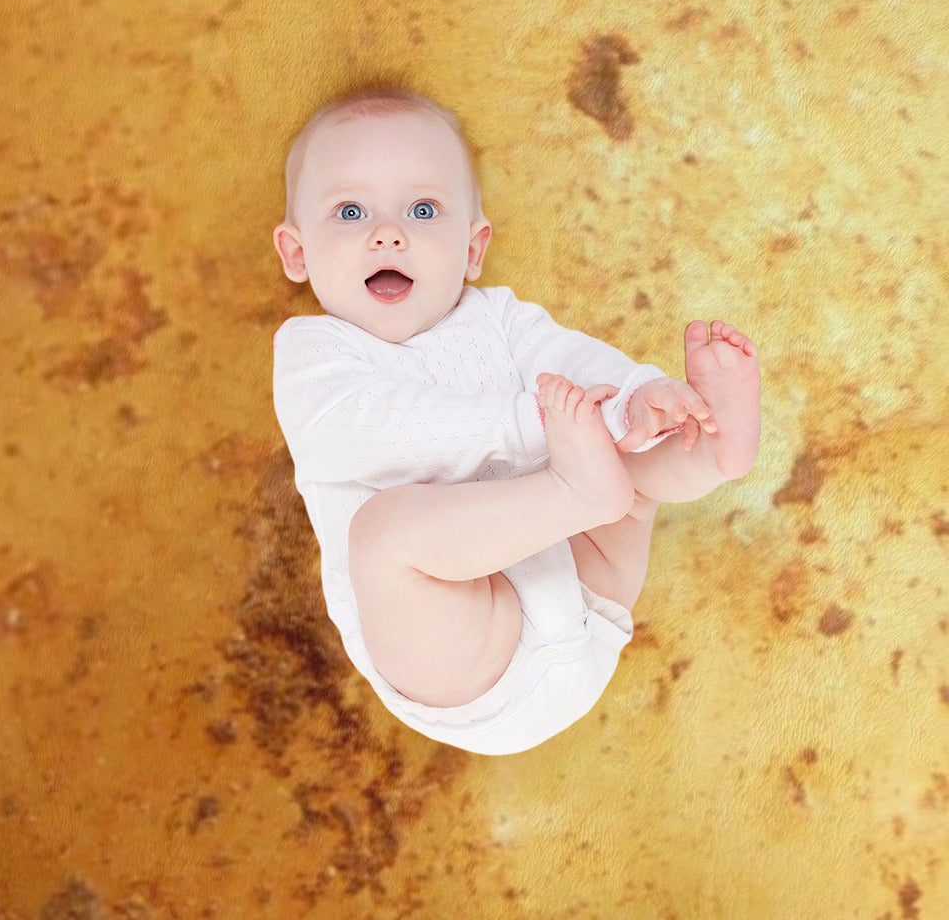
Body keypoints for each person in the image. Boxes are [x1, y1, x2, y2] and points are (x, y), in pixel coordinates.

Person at [271, 88, 761, 755]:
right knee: (384, 533)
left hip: (588, 592)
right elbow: (370, 432)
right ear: (297, 254)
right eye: (350, 211)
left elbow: (573, 362)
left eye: (423, 209)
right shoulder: (316, 352)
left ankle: (705, 450)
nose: (388, 234)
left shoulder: (499, 318)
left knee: (628, 460)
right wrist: (535, 423)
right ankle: (581, 489)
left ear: (473, 249)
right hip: (470, 660)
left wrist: (637, 398)